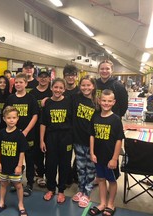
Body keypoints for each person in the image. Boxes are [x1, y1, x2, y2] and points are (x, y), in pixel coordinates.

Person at [89, 89, 124, 216]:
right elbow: (92, 135)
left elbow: (119, 140)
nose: (106, 103)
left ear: (114, 102)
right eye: (104, 100)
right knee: (101, 180)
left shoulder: (115, 119)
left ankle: (110, 204)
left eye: (109, 101)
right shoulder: (95, 116)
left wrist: (114, 158)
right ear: (99, 101)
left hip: (110, 158)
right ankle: (102, 203)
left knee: (112, 181)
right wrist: (92, 152)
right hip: (98, 157)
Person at [4, 73, 39, 197]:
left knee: (29, 160)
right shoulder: (10, 98)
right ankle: (16, 182)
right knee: (15, 160)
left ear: (26, 83)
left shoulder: (31, 99)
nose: (18, 84)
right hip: (13, 135)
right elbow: (7, 115)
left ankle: (29, 183)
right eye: (16, 82)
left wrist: (26, 131)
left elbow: (35, 116)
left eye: (21, 82)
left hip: (28, 136)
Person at [0, 106, 29, 216]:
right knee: (3, 184)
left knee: (18, 185)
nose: (11, 120)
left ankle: (21, 205)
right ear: (4, 119)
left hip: (15, 166)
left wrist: (19, 165)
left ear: (18, 119)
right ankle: (1, 203)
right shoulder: (1, 133)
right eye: (8, 118)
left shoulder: (19, 135)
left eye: (14, 117)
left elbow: (22, 151)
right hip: (3, 166)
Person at [41, 78, 73, 204]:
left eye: (61, 88)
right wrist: (41, 140)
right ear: (51, 88)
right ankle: (50, 188)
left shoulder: (69, 102)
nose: (58, 90)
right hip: (51, 137)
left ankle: (61, 191)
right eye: (56, 87)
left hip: (66, 137)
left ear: (64, 90)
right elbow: (43, 123)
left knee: (64, 165)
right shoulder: (47, 103)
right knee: (50, 164)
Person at [71, 75, 98, 208]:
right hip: (78, 140)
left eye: (88, 85)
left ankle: (87, 193)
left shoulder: (97, 103)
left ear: (93, 86)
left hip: (92, 142)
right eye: (83, 85)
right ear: (79, 86)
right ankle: (80, 190)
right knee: (80, 168)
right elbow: (61, 98)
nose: (86, 88)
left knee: (90, 169)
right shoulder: (76, 98)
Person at [29, 68, 52, 188]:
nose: (43, 79)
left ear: (49, 78)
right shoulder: (32, 93)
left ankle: (47, 175)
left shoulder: (52, 92)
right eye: (41, 76)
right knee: (36, 153)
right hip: (35, 127)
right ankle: (39, 175)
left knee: (48, 153)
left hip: (49, 128)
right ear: (37, 78)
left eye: (45, 77)